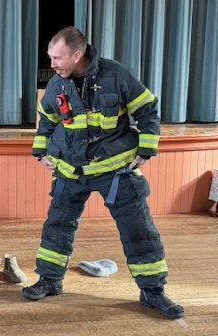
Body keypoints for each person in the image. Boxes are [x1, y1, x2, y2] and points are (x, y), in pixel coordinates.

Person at [22, 26, 184, 319]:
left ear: (77, 54)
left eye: (57, 58)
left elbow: (148, 110)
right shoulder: (58, 85)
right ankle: (49, 280)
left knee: (139, 231)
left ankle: (153, 291)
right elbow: (46, 119)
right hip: (70, 170)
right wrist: (41, 152)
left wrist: (145, 151)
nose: (52, 64)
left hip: (115, 171)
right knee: (57, 227)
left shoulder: (117, 75)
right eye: (50, 57)